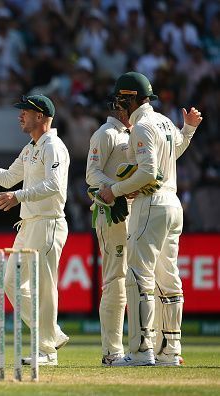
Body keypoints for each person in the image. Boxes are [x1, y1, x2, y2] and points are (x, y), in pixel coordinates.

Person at [99, 72, 202, 367]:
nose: (118, 107)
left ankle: (142, 351)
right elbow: (173, 151)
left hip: (151, 203)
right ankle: (170, 351)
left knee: (138, 276)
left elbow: (147, 172)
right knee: (167, 278)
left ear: (129, 98)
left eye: (121, 100)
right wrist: (189, 131)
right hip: (173, 204)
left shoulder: (143, 126)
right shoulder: (165, 122)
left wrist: (114, 190)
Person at [0, 94, 70, 366]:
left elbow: (54, 186)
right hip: (28, 224)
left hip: (48, 222)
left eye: (25, 111)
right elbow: (8, 177)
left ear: (40, 116)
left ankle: (47, 351)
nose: (20, 116)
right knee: (10, 282)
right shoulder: (31, 148)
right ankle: (52, 334)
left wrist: (18, 197)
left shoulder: (53, 146)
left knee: (45, 288)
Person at [85, 98, 132, 366]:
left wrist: (187, 131)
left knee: (137, 279)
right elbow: (92, 175)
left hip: (138, 212)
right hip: (112, 212)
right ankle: (112, 352)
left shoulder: (135, 132)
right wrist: (119, 191)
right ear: (123, 106)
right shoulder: (105, 134)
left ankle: (145, 347)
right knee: (115, 279)